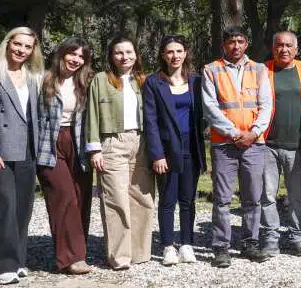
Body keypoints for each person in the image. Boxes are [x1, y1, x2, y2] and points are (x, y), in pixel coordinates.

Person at [0, 27, 43, 284]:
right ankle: (2, 266)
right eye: (18, 44)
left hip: (27, 148)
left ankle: (18, 260)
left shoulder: (33, 75)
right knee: (3, 206)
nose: (21, 50)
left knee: (23, 207)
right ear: (7, 43)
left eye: (27, 47)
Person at [202, 27, 273, 267]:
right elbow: (210, 107)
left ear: (246, 44)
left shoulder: (259, 69)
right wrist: (234, 134)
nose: (236, 46)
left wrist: (253, 133)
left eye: (240, 41)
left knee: (252, 197)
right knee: (222, 198)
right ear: (224, 45)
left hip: (254, 144)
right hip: (224, 144)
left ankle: (250, 243)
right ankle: (221, 247)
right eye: (231, 42)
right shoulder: (211, 70)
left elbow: (266, 105)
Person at [86, 36, 156, 270]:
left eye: (128, 52)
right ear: (111, 56)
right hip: (112, 142)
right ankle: (120, 256)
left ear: (136, 54)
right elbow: (92, 114)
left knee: (142, 198)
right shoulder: (100, 80)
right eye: (118, 52)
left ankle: (140, 253)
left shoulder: (144, 80)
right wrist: (94, 149)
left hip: (141, 142)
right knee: (116, 199)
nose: (124, 57)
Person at [143, 36, 207, 267]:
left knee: (188, 199)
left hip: (191, 145)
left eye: (179, 51)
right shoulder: (153, 82)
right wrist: (157, 154)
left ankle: (187, 244)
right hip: (167, 148)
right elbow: (150, 121)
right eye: (170, 52)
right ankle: (168, 246)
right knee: (168, 199)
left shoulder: (196, 81)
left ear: (185, 53)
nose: (175, 56)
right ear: (163, 55)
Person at [37, 36, 95, 275]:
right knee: (63, 196)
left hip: (79, 142)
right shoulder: (43, 79)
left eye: (81, 56)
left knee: (81, 197)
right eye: (72, 53)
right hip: (49, 144)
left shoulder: (88, 81)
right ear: (61, 53)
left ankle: (78, 250)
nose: (76, 59)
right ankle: (71, 258)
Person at [260, 31, 301, 257]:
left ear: (296, 49)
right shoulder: (263, 70)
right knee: (267, 195)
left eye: (289, 45)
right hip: (267, 144)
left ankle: (296, 237)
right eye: (279, 45)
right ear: (273, 48)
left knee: (296, 196)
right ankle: (271, 238)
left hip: (298, 144)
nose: (284, 49)